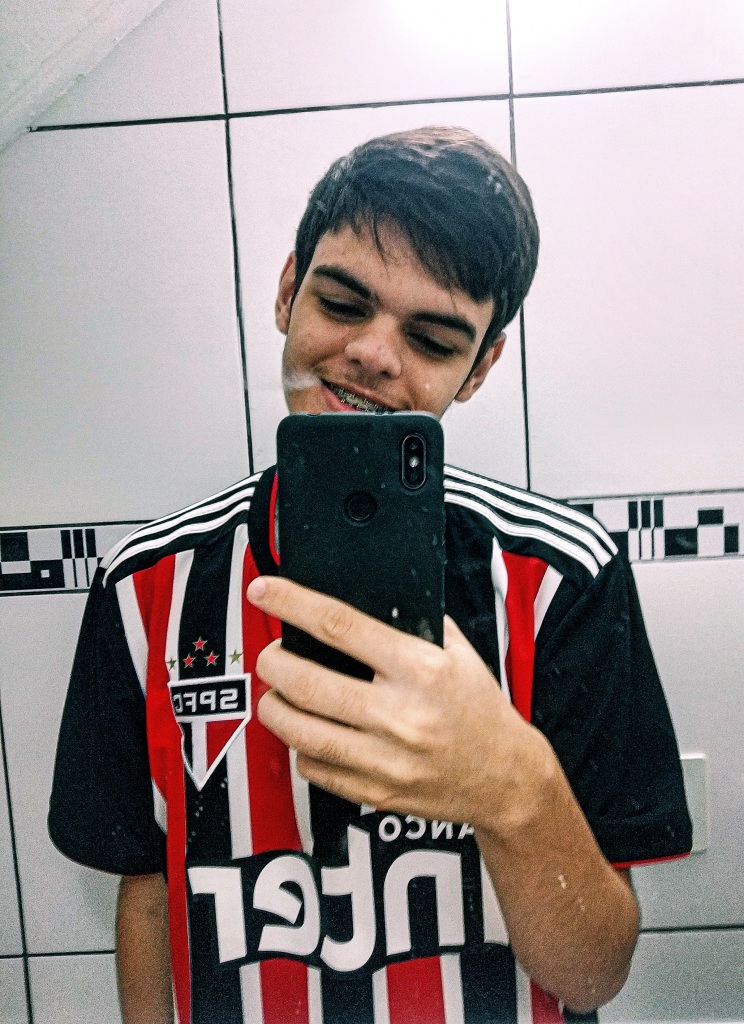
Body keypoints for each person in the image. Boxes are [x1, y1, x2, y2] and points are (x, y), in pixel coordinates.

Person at [49, 126, 692, 1024]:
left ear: (480, 368)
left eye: (431, 338)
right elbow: (150, 894)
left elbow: (592, 976)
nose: (375, 354)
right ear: (287, 291)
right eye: (344, 303)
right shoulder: (144, 590)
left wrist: (512, 786)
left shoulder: (561, 580)